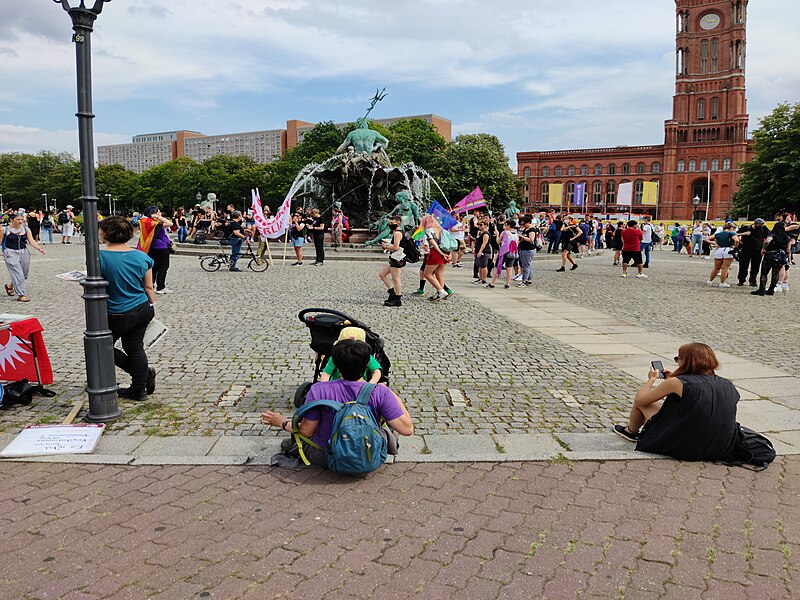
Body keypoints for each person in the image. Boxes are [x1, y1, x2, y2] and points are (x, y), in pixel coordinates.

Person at [260, 339, 413, 468]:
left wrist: (281, 422)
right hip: (369, 454)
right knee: (388, 430)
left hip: (326, 456)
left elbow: (306, 431)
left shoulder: (318, 390)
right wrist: (394, 396)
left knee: (296, 439)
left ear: (337, 366)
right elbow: (407, 429)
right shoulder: (380, 392)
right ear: (367, 365)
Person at [613, 343, 739, 462]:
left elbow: (640, 400)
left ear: (687, 361)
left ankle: (631, 431)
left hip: (685, 445)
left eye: (678, 358)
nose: (677, 362)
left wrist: (651, 380)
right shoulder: (727, 383)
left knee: (643, 403)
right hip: (721, 445)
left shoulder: (677, 382)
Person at [99, 216, 156, 401]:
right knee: (135, 348)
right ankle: (139, 388)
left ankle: (142, 376)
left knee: (102, 347)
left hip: (115, 312)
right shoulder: (142, 256)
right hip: (141, 308)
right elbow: (148, 287)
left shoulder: (99, 257)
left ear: (106, 233)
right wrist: (152, 307)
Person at [0, 212, 46, 303]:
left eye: (22, 219)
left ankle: (10, 286)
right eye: (18, 219)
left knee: (24, 274)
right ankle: (21, 294)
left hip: (24, 251)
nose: (20, 221)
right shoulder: (3, 230)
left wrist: (39, 248)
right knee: (18, 273)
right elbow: (0, 241)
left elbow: (31, 241)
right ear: (11, 220)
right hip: (10, 252)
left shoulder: (26, 229)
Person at [138, 206, 174, 294]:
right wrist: (159, 217)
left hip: (151, 248)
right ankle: (161, 287)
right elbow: (170, 223)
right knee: (163, 267)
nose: (160, 213)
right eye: (159, 212)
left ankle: (151, 285)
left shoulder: (145, 222)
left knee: (154, 268)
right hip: (161, 248)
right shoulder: (155, 223)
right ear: (153, 213)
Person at [420, 214, 450, 301]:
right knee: (439, 274)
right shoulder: (441, 229)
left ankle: (441, 291)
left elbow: (433, 244)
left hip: (436, 253)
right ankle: (440, 293)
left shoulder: (429, 230)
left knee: (427, 274)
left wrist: (441, 253)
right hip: (445, 251)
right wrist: (447, 253)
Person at [378, 215, 405, 307]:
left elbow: (396, 247)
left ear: (398, 222)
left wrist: (386, 246)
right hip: (395, 258)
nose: (390, 224)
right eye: (390, 223)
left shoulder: (397, 233)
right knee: (382, 274)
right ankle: (392, 292)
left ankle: (397, 299)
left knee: (396, 279)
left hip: (397, 258)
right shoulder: (397, 232)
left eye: (392, 223)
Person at [704, 222, 738, 288]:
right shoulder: (731, 233)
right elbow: (737, 240)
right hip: (728, 249)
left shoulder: (718, 234)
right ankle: (722, 283)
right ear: (731, 228)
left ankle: (710, 281)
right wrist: (735, 247)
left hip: (719, 250)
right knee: (725, 267)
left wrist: (714, 243)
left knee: (716, 267)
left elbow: (706, 239)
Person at [488, 219, 519, 289]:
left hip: (504, 252)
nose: (504, 226)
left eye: (505, 225)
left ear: (508, 225)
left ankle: (493, 283)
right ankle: (507, 283)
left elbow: (498, 242)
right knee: (509, 268)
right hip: (512, 252)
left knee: (497, 267)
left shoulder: (505, 232)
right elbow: (516, 243)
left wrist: (497, 235)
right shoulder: (516, 234)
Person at [736, 218, 766, 286]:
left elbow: (768, 236)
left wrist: (764, 247)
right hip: (746, 249)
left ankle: (753, 280)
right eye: (760, 225)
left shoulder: (763, 229)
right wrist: (744, 234)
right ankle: (741, 280)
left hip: (758, 250)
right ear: (755, 224)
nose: (762, 226)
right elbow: (735, 234)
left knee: (755, 266)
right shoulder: (746, 228)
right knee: (743, 265)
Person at [517, 214, 538, 287]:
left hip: (528, 249)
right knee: (528, 265)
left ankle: (524, 280)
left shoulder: (532, 230)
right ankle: (529, 279)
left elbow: (530, 239)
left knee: (526, 266)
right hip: (524, 248)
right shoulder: (526, 229)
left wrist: (521, 236)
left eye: (524, 224)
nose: (523, 225)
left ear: (528, 222)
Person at [472, 219, 492, 286]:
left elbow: (484, 243)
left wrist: (480, 251)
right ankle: (480, 278)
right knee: (480, 265)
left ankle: (484, 279)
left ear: (485, 225)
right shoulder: (480, 233)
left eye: (481, 225)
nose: (479, 226)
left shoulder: (486, 234)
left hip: (484, 251)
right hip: (478, 250)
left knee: (483, 266)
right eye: (478, 225)